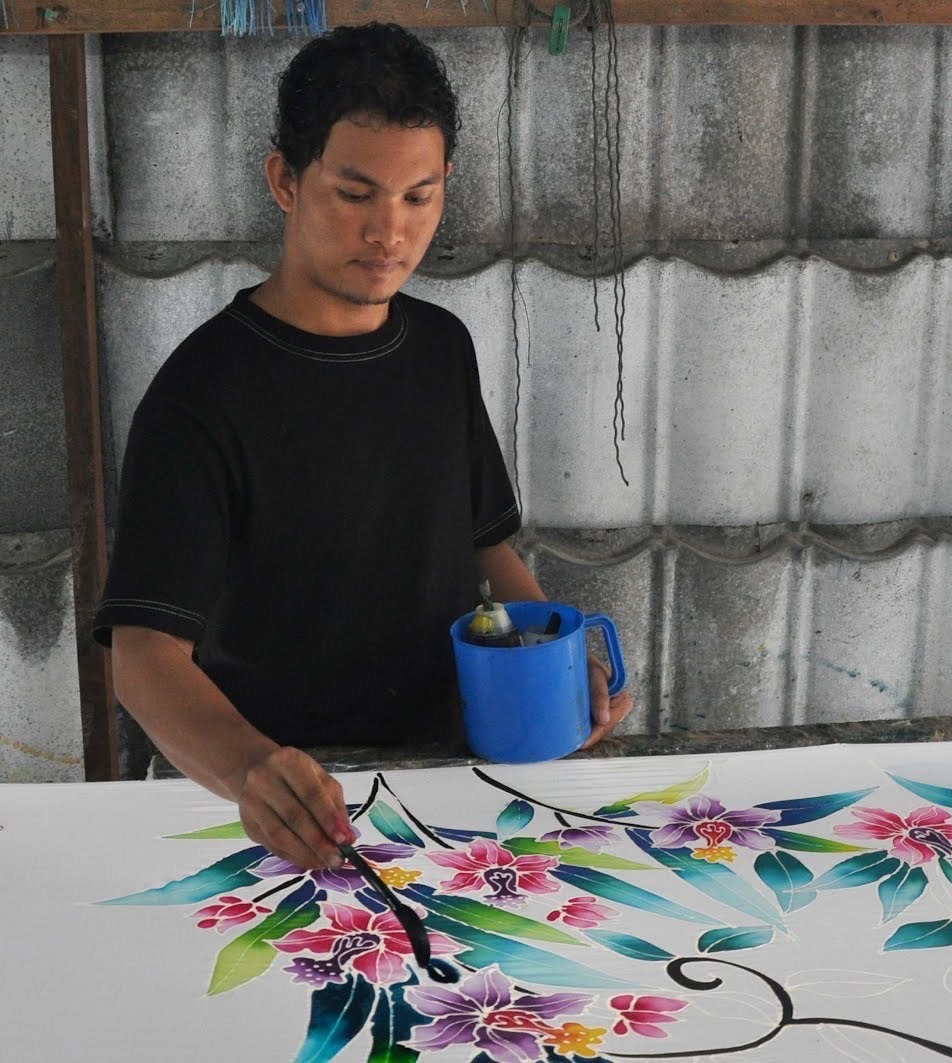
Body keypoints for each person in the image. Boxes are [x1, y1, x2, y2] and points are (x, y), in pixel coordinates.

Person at [92, 23, 632, 875]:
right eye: (355, 194)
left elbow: (484, 543)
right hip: (294, 810)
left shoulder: (440, 348)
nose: (390, 231)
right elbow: (143, 656)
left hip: (453, 782)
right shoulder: (202, 394)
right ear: (285, 180)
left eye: (419, 197)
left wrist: (554, 659)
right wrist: (252, 771)